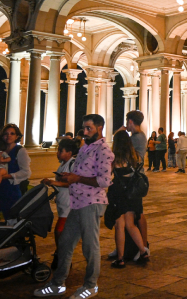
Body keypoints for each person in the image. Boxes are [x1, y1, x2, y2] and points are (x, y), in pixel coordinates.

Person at [34, 114, 114, 299]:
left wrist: (76, 178)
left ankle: (91, 285)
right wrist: (68, 177)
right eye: (84, 128)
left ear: (100, 128)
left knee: (90, 246)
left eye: (89, 128)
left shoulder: (103, 150)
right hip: (77, 203)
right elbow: (80, 174)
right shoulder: (86, 148)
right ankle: (57, 283)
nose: (85, 132)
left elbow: (104, 180)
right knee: (65, 243)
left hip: (91, 203)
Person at [106, 130, 149, 268]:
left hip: (119, 194)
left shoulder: (114, 158)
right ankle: (143, 251)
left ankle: (120, 258)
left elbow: (107, 175)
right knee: (131, 224)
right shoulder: (135, 156)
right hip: (133, 194)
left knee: (120, 224)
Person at [41, 138, 78, 270]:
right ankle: (62, 255)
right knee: (62, 233)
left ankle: (63, 256)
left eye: (60, 151)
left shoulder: (72, 164)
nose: (58, 153)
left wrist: (54, 183)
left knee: (59, 231)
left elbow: (74, 183)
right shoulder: (63, 164)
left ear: (69, 152)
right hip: (63, 204)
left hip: (69, 204)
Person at [0, 124, 31, 222]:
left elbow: (26, 172)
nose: (8, 136)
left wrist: (5, 176)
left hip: (10, 191)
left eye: (12, 133)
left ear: (17, 136)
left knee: (12, 222)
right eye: (6, 134)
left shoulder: (20, 151)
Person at [118, 110, 149, 260]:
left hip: (133, 179)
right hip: (134, 178)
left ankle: (142, 246)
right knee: (136, 213)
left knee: (137, 213)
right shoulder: (139, 136)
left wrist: (118, 135)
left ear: (130, 121)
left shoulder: (137, 137)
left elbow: (126, 153)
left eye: (127, 121)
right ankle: (136, 246)